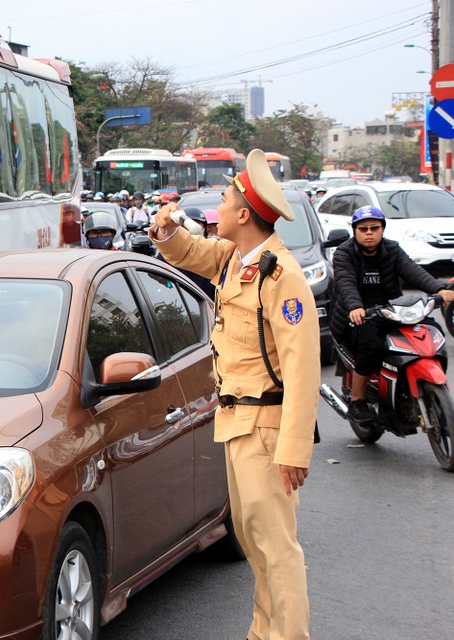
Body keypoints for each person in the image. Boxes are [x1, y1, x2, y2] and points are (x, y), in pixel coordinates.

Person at [149, 148, 320, 640]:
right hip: (237, 425)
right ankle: (263, 633)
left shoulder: (281, 276)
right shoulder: (235, 259)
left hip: (267, 430)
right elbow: (188, 252)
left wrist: (294, 449)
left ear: (244, 214)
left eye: (224, 200)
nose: (216, 209)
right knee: (254, 542)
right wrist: (165, 230)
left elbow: (304, 369)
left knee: (277, 549)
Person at [330, 205, 454, 422]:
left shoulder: (393, 249)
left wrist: (439, 290)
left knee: (431, 333)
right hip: (359, 315)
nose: (369, 232)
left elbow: (413, 271)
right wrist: (355, 307)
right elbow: (345, 282)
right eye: (363, 228)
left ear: (382, 229)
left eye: (374, 228)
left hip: (393, 310)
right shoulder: (344, 253)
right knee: (372, 346)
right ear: (355, 231)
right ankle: (358, 400)